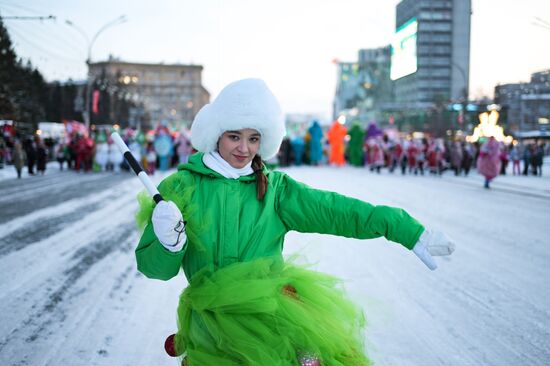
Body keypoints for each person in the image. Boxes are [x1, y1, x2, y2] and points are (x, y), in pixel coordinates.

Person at [135, 79, 455, 366]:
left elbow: (338, 211)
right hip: (210, 333)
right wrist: (168, 243)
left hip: (270, 323)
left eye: (253, 138)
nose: (244, 148)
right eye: (234, 136)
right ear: (216, 133)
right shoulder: (181, 189)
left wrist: (405, 228)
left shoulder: (276, 191)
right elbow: (155, 269)